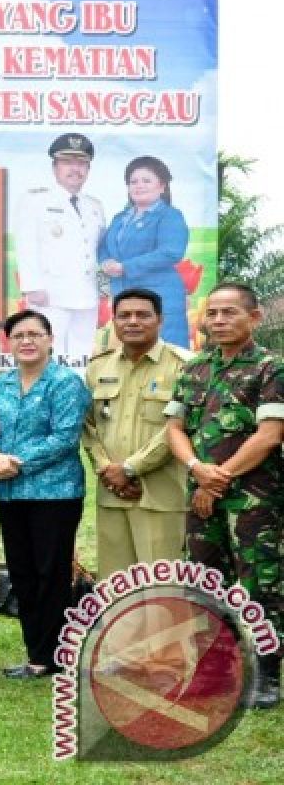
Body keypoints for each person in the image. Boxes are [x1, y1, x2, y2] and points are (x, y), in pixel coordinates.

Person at [165, 282, 283, 709]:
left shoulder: (271, 368)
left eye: (228, 312)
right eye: (212, 313)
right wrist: (199, 471)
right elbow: (175, 428)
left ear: (253, 318)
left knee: (260, 584)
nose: (218, 320)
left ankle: (268, 674)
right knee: (203, 579)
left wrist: (222, 477)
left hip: (253, 503)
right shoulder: (194, 369)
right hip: (202, 497)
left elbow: (270, 434)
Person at [0, 309, 91, 680]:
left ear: (49, 339)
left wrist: (16, 461)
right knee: (23, 573)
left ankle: (57, 656)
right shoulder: (0, 384)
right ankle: (36, 653)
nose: (27, 341)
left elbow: (64, 438)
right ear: (8, 343)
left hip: (56, 493)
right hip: (11, 493)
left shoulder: (66, 383)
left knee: (52, 573)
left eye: (34, 334)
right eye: (19, 336)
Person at [83, 288, 191, 578]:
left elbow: (178, 428)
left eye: (143, 315)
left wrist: (131, 469)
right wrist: (107, 469)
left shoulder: (185, 366)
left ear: (160, 320)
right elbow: (88, 427)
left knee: (163, 587)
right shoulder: (97, 367)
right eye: (124, 315)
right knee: (116, 588)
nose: (132, 321)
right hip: (112, 495)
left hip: (162, 495)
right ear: (113, 322)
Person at [14, 133, 106, 359]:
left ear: (88, 169)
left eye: (82, 163)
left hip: (87, 293)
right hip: (49, 294)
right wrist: (32, 285)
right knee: (48, 352)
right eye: (68, 162)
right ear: (55, 167)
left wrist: (104, 288)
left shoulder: (95, 206)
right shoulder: (35, 201)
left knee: (82, 354)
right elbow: (26, 244)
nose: (76, 169)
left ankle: (78, 394)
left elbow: (99, 250)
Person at [98, 156, 191, 348]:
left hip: (161, 298)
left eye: (146, 181)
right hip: (125, 296)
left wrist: (125, 267)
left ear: (162, 186)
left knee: (167, 355)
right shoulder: (120, 217)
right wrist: (105, 261)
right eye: (133, 181)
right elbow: (103, 245)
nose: (139, 186)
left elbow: (171, 252)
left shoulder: (170, 215)